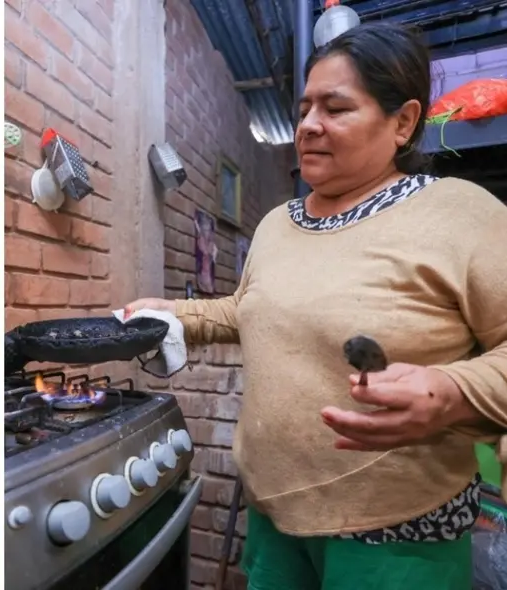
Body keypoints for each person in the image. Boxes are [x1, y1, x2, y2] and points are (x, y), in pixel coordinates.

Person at [125, 23, 507, 590]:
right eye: (304, 108)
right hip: (276, 515)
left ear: (402, 122)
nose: (308, 125)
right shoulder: (281, 222)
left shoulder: (460, 214)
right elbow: (249, 309)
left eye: (336, 107)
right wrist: (176, 315)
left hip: (396, 538)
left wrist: (451, 393)